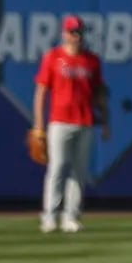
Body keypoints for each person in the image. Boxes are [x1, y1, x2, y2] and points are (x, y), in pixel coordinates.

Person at [33, 14, 110, 234]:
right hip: (59, 121)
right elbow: (41, 91)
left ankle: (71, 217)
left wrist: (105, 121)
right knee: (57, 168)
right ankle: (49, 216)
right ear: (64, 34)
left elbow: (99, 94)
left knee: (79, 172)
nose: (76, 36)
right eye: (72, 32)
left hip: (85, 121)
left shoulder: (92, 60)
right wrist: (38, 125)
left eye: (79, 32)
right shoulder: (53, 57)